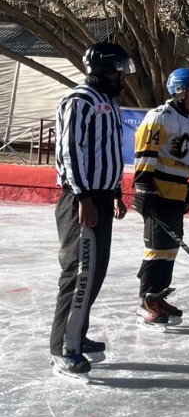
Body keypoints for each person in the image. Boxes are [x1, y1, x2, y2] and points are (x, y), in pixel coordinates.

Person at [50, 42, 134, 377]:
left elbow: (109, 153)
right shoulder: (79, 99)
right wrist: (83, 197)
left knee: (96, 270)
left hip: (100, 196)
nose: (121, 76)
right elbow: (71, 152)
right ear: (100, 69)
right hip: (80, 199)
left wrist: (114, 192)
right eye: (118, 69)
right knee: (79, 271)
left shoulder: (108, 102)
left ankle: (77, 335)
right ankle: (63, 348)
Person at [132, 66, 189, 327]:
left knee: (171, 247)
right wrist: (143, 188)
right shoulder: (160, 116)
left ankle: (159, 294)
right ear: (178, 90)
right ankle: (146, 300)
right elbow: (145, 153)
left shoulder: (188, 121)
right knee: (155, 248)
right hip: (158, 191)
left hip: (175, 192)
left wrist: (187, 187)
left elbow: (186, 159)